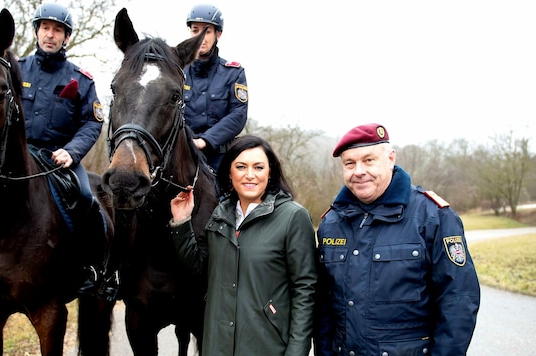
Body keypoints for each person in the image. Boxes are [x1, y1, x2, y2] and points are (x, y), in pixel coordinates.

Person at [0, 2, 109, 299]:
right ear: (36, 32)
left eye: (57, 30)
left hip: (58, 160)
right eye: (45, 27)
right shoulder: (10, 69)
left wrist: (72, 151)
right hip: (13, 156)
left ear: (66, 37)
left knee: (87, 198)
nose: (50, 34)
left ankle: (93, 269)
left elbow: (92, 122)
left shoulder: (81, 80)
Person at [313, 123, 481, 355]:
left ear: (390, 159)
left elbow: (459, 300)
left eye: (369, 160)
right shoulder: (332, 223)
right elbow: (323, 308)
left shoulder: (432, 216)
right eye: (349, 163)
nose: (359, 171)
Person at [169, 135, 317, 355]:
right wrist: (181, 223)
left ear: (270, 172)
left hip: (267, 346)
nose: (250, 175)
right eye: (241, 166)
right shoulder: (219, 214)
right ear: (229, 172)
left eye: (258, 167)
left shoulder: (293, 217)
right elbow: (199, 268)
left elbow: (305, 290)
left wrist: (297, 350)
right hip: (217, 344)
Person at [184, 4, 248, 173]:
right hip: (181, 155)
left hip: (219, 158)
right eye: (195, 30)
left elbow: (238, 114)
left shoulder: (233, 72)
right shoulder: (177, 72)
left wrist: (205, 140)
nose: (200, 37)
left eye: (207, 31)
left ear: (218, 34)